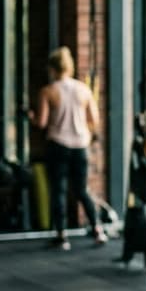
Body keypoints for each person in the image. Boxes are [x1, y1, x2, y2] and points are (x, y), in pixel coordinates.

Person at [29, 46, 106, 250]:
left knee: (59, 190)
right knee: (82, 190)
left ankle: (62, 236)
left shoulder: (48, 91)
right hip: (80, 145)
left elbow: (42, 122)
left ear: (52, 69)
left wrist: (30, 116)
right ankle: (98, 230)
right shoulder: (83, 89)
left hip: (58, 144)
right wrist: (83, 131)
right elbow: (94, 120)